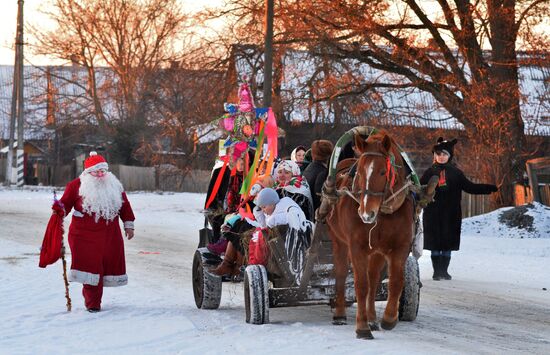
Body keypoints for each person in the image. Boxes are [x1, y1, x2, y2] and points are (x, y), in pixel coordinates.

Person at [52, 151, 135, 312]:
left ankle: (95, 300)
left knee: (106, 267)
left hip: (110, 236)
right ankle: (93, 304)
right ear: (87, 172)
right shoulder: (76, 186)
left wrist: (129, 225)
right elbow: (65, 205)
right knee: (90, 269)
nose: (100, 174)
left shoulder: (114, 185)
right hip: (84, 236)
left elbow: (125, 206)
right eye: (96, 171)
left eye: (103, 170)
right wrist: (59, 212)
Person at [420, 137, 498, 281]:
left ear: (449, 156)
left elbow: (470, 187)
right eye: (438, 154)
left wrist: (488, 188)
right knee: (435, 244)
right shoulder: (429, 172)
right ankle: (437, 272)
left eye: (444, 154)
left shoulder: (456, 173)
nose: (441, 157)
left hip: (451, 214)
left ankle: (445, 271)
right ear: (435, 156)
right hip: (433, 214)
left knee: (448, 243)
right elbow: (420, 189)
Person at [303, 140, 334, 213]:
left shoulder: (308, 168)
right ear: (329, 155)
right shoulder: (323, 173)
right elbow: (320, 198)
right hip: (315, 214)